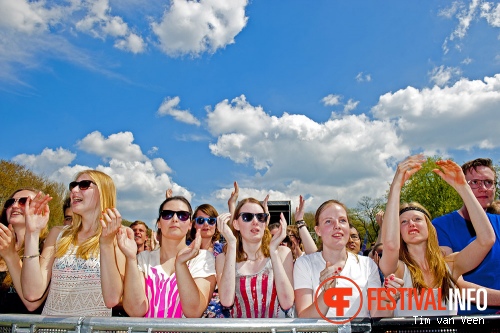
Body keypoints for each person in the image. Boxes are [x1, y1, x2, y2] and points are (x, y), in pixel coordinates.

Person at [380, 155, 495, 316]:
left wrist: (463, 187)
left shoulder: (451, 265)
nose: (411, 223)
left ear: (430, 227)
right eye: (403, 222)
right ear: (398, 232)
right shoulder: (397, 269)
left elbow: (486, 240)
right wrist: (396, 187)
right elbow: (391, 246)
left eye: (417, 219)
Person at [21, 170, 124, 316]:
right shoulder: (58, 234)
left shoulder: (118, 238)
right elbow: (32, 293)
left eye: (84, 185)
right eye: (73, 185)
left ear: (103, 192)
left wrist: (106, 244)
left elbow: (112, 299)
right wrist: (32, 233)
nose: (74, 190)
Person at [115, 196, 216, 318]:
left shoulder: (203, 258)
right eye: (167, 214)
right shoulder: (143, 259)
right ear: (159, 223)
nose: (174, 219)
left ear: (190, 224)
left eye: (182, 215)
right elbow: (135, 311)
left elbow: (194, 311)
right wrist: (131, 258)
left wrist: (181, 264)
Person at [294, 199, 393, 318]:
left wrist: (388, 299)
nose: (337, 226)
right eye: (328, 221)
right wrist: (327, 294)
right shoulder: (304, 264)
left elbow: (378, 315)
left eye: (342, 220)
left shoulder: (367, 265)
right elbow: (304, 319)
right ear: (318, 230)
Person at [432, 157, 500, 314]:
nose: (483, 188)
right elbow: (453, 283)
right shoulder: (440, 226)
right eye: (474, 183)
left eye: (488, 182)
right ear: (460, 185)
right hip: (465, 321)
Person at [216, 198, 294, 318]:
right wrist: (231, 244)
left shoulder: (283, 253)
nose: (255, 222)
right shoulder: (223, 258)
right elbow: (226, 301)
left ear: (265, 222)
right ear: (236, 224)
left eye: (260, 217)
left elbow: (287, 302)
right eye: (247, 217)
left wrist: (273, 251)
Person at [0, 188, 50, 314]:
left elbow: (32, 304)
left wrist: (10, 256)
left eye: (24, 202)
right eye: (10, 202)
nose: (15, 206)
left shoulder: (47, 248)